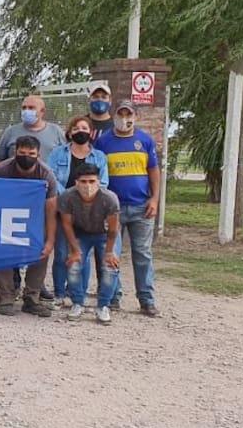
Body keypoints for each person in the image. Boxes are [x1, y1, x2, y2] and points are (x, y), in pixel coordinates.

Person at [95, 100, 162, 317]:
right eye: (121, 114)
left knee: (143, 255)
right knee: (112, 254)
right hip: (113, 208)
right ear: (114, 116)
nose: (125, 119)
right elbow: (98, 175)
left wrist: (154, 199)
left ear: (136, 116)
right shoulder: (103, 143)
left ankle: (146, 300)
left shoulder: (145, 141)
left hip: (142, 207)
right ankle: (113, 298)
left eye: (128, 114)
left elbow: (154, 172)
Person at [45, 116, 109, 307]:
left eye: (84, 128)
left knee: (83, 254)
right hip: (63, 208)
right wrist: (72, 197)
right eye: (76, 128)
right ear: (70, 132)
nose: (80, 131)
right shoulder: (57, 153)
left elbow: (103, 182)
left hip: (89, 212)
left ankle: (78, 294)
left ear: (91, 132)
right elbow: (52, 179)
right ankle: (59, 293)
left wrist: (86, 198)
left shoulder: (99, 157)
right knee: (63, 252)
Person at [0, 136, 58, 317]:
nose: (26, 156)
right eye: (22, 153)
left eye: (31, 154)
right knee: (1, 251)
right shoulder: (2, 170)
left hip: (35, 219)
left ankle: (31, 298)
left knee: (41, 251)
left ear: (38, 154)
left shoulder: (46, 175)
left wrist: (50, 240)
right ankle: (6, 297)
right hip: (6, 217)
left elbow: (51, 210)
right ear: (15, 152)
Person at [58, 163, 121, 325]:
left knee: (110, 266)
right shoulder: (67, 196)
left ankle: (103, 305)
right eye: (84, 181)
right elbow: (66, 224)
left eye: (92, 181)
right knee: (73, 265)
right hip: (81, 233)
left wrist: (109, 252)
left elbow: (114, 228)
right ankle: (77, 303)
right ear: (76, 182)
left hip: (105, 234)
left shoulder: (109, 198)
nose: (88, 186)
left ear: (98, 182)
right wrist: (74, 250)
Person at [0, 94, 66, 162]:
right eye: (24, 108)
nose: (26, 111)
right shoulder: (11, 132)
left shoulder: (56, 131)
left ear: (42, 111)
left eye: (31, 108)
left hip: (47, 175)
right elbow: (0, 160)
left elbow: (67, 156)